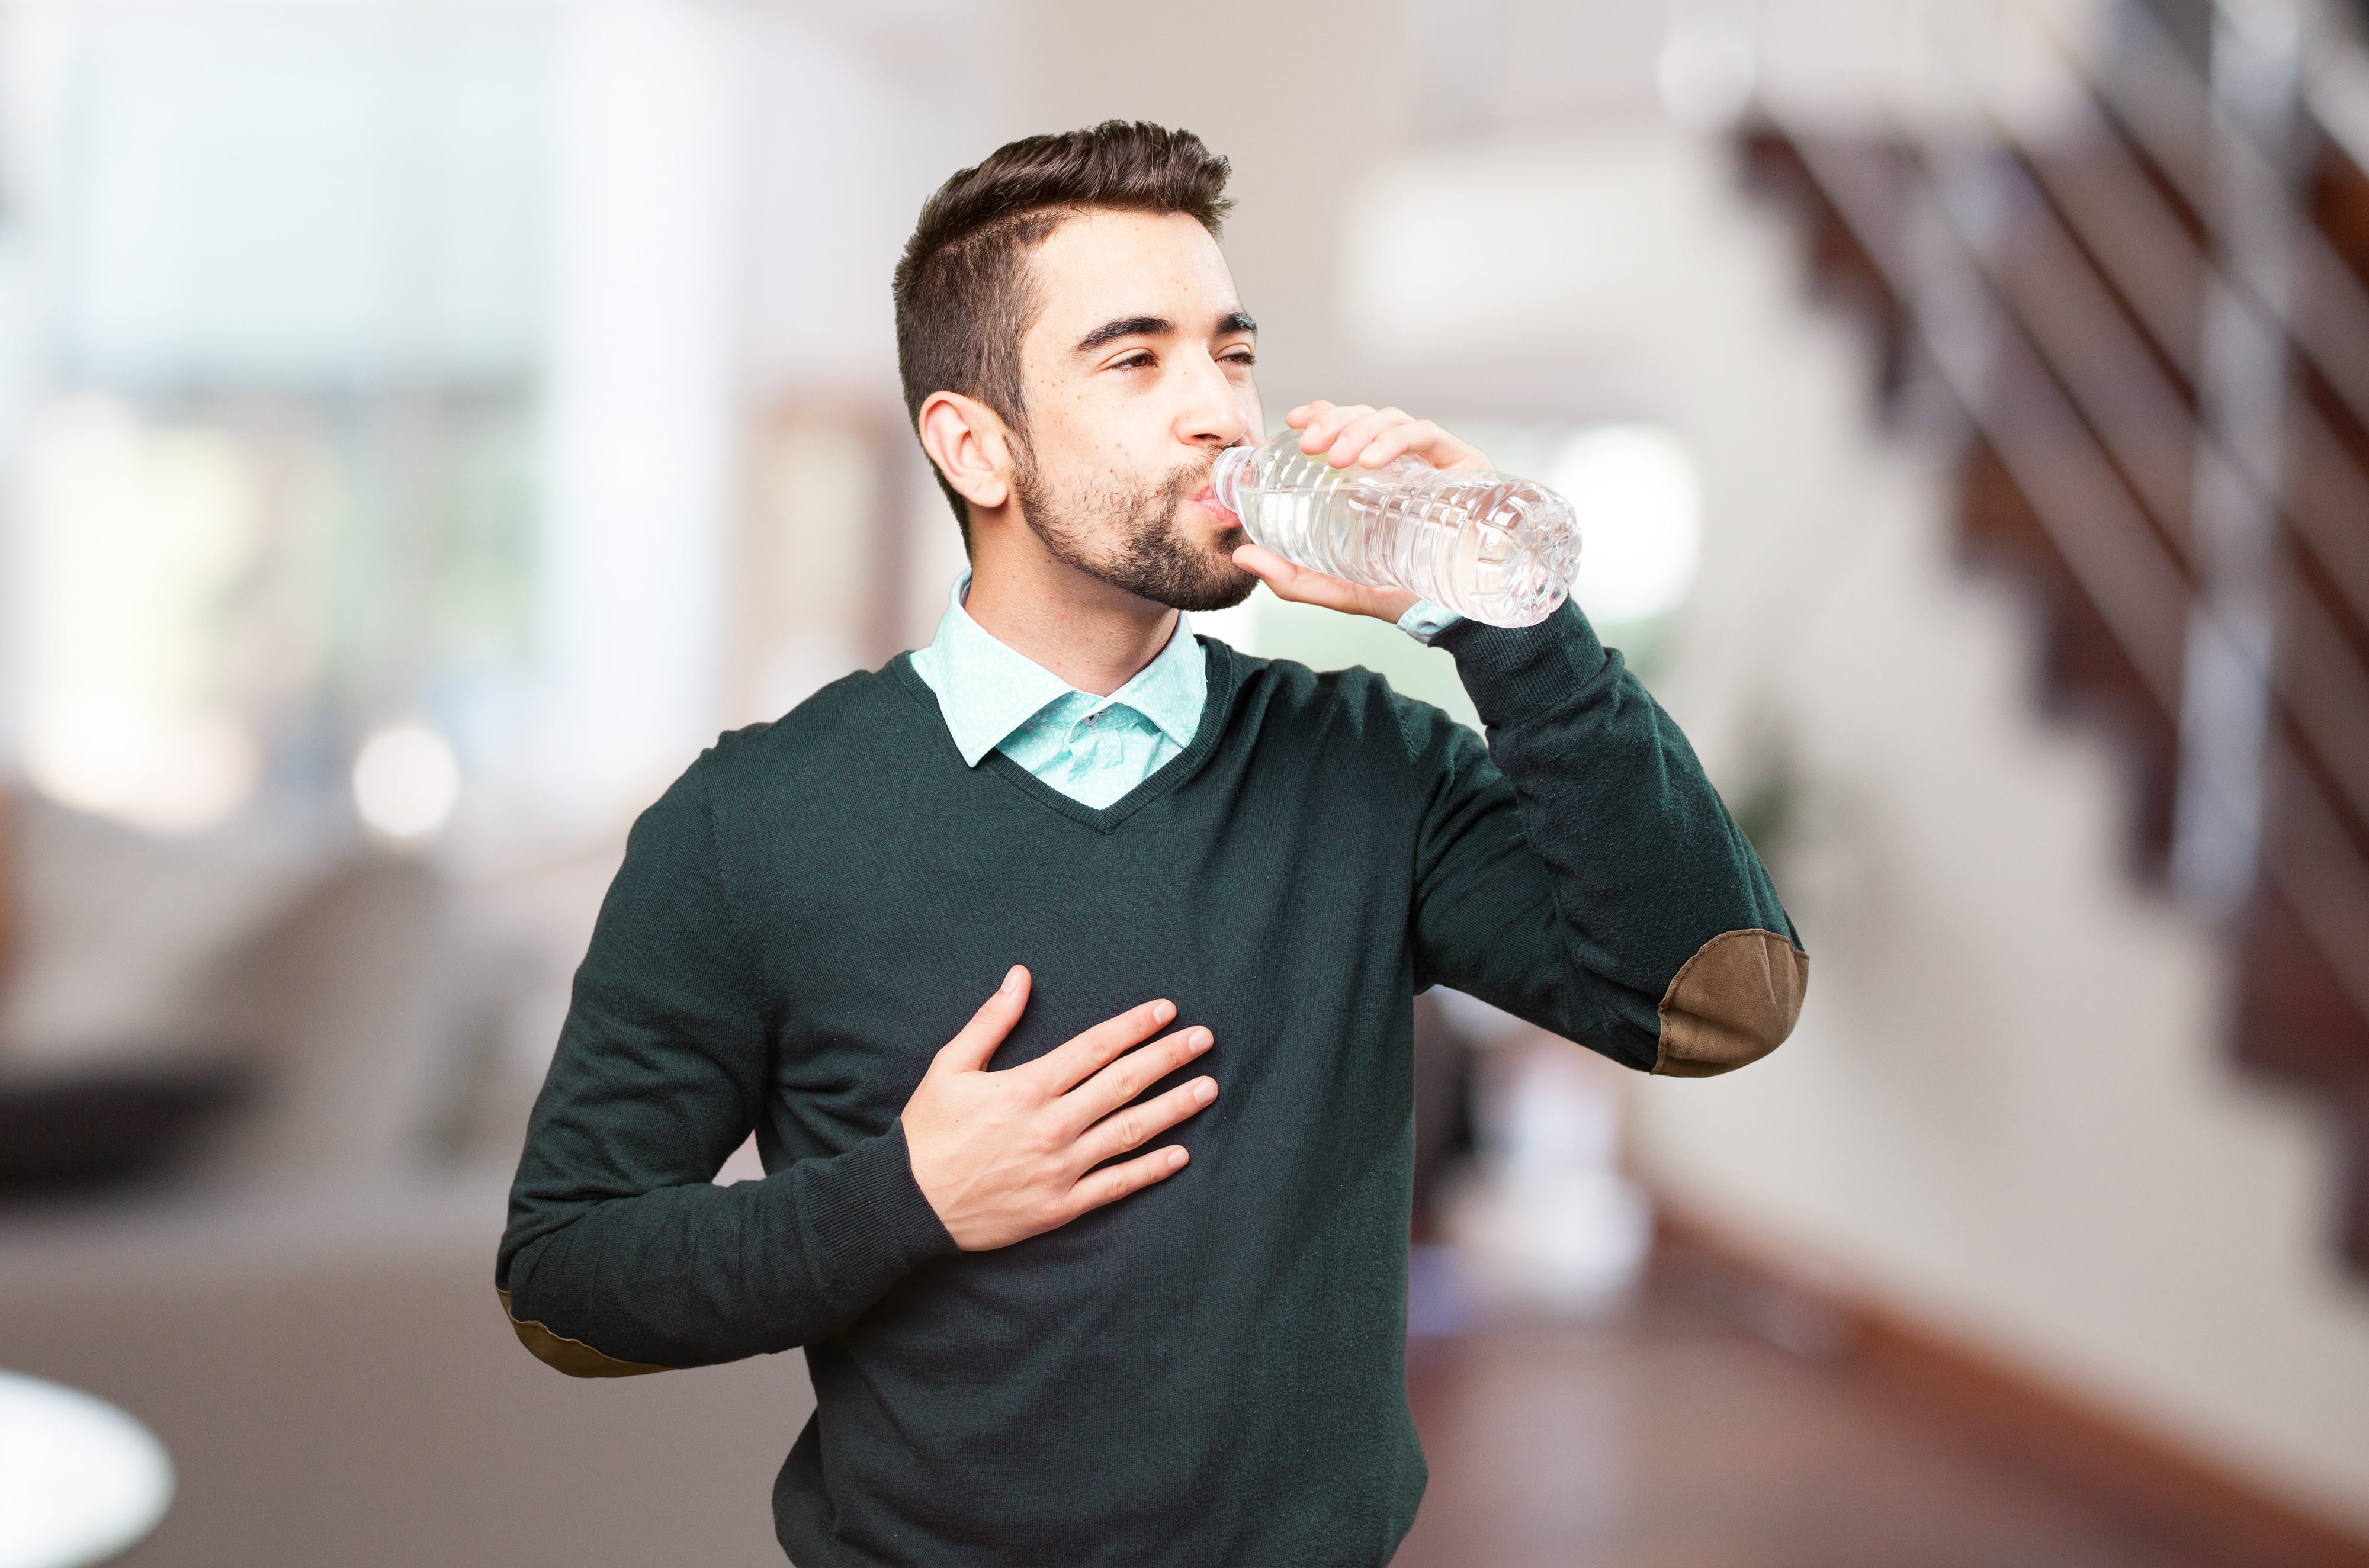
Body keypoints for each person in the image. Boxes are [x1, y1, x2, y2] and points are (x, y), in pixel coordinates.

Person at [497, 120, 1806, 1567]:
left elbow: (1718, 1000)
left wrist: (1513, 623)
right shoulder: (748, 825)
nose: (1220, 414)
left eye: (1230, 354)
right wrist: (908, 1198)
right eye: (1135, 360)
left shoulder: (1370, 767)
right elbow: (567, 1280)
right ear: (973, 446)